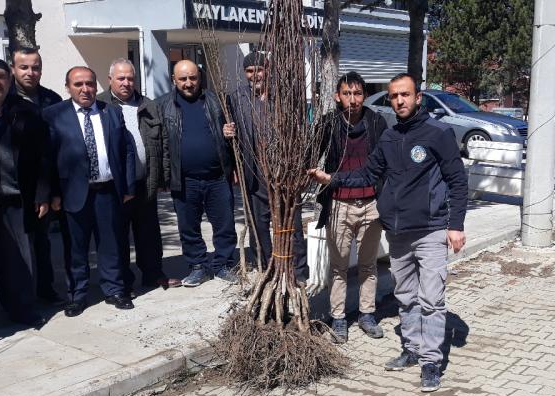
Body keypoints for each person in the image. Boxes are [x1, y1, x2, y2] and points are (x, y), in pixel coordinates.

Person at [310, 73, 468, 392]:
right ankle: (410, 349)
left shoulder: (439, 133)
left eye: (405, 95)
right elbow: (368, 174)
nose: (399, 101)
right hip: (397, 232)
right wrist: (333, 180)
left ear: (418, 97)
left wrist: (456, 225)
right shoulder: (390, 137)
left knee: (432, 299)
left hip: (430, 230)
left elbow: (458, 181)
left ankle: (431, 362)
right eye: (394, 96)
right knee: (406, 297)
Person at [44, 66, 136, 317]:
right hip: (72, 193)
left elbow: (127, 150)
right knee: (75, 247)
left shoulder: (111, 112)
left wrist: (127, 185)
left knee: (111, 243)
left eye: (90, 84)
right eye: (78, 84)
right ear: (68, 87)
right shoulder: (54, 115)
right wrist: (52, 193)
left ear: (97, 86)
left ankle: (115, 289)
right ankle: (77, 295)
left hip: (107, 190)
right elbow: (47, 158)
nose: (85, 89)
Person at [97, 58, 181, 291]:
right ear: (110, 79)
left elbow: (162, 143)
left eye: (130, 78)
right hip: (116, 186)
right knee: (118, 236)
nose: (126, 82)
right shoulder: (100, 105)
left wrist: (163, 178)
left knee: (149, 234)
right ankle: (122, 281)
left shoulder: (148, 105)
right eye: (121, 78)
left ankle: (153, 274)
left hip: (145, 182)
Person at [316, 71, 387, 343]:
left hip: (370, 203)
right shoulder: (328, 124)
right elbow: (313, 155)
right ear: (337, 96)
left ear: (364, 96)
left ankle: (367, 314)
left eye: (358, 94)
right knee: (339, 267)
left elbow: (385, 161)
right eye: (347, 93)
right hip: (339, 204)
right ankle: (338, 318)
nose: (353, 99)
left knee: (368, 265)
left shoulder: (376, 122)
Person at [225, 51, 308, 283]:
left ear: (268, 70)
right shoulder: (236, 98)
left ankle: (298, 272)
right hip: (255, 174)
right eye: (250, 71)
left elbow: (300, 133)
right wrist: (227, 132)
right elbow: (230, 132)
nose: (255, 75)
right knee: (259, 225)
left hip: (284, 173)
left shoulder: (285, 97)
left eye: (260, 69)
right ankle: (266, 269)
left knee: (291, 225)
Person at [157, 60, 237, 286]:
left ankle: (223, 264)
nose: (188, 83)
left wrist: (230, 132)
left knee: (225, 225)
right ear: (174, 80)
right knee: (188, 227)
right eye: (183, 79)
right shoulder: (163, 106)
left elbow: (233, 130)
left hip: (217, 177)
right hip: (184, 180)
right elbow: (158, 144)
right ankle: (197, 266)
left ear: (200, 77)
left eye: (193, 77)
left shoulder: (216, 101)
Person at [10, 47, 70, 306]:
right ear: (13, 69)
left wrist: (52, 191)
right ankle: (16, 297)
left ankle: (44, 290)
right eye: (24, 67)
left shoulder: (51, 100)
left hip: (44, 187)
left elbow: (57, 148)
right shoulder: (5, 99)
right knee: (12, 248)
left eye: (35, 67)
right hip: (12, 187)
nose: (30, 72)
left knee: (41, 243)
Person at [0, 57, 50, 327]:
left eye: (1, 77)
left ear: (9, 79)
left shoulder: (25, 112)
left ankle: (24, 310)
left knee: (20, 260)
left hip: (17, 198)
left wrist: (42, 193)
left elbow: (43, 156)